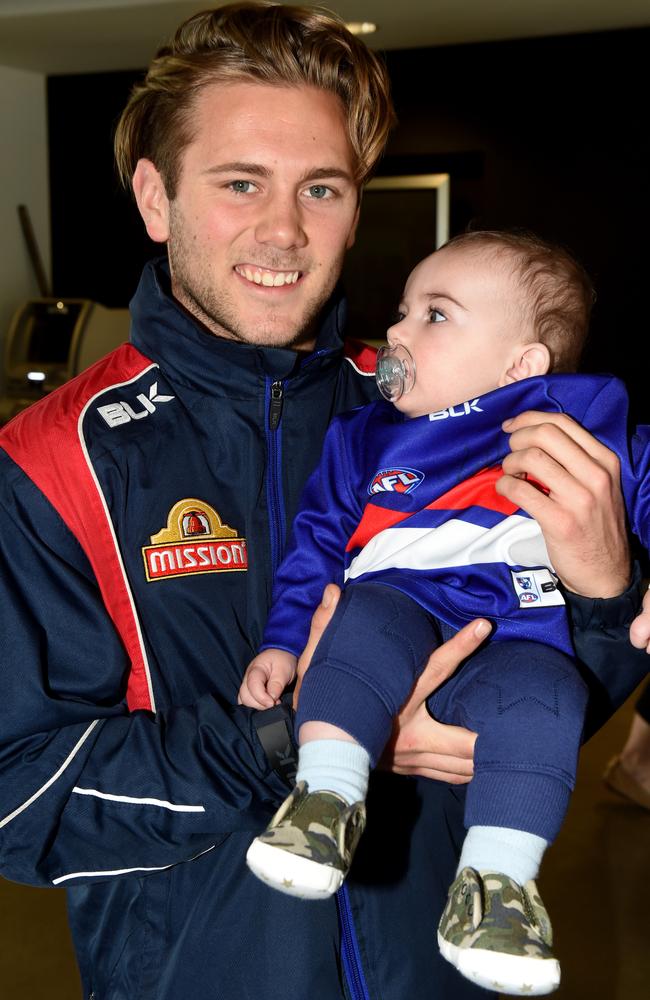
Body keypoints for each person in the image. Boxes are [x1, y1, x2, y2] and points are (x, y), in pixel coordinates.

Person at [0, 5, 646, 999]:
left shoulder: (442, 417)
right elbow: (19, 797)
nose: (283, 230)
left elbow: (558, 687)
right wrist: (287, 738)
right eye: (239, 183)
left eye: (321, 188)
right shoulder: (55, 460)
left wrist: (602, 596)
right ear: (154, 197)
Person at [240, 230, 650, 995]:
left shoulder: (580, 417)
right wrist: (285, 641)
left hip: (519, 635)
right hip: (395, 601)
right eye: (402, 309)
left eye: (435, 314)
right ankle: (324, 801)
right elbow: (316, 546)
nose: (396, 330)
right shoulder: (363, 434)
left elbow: (644, 484)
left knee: (550, 700)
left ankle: (497, 890)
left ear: (521, 365)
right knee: (359, 631)